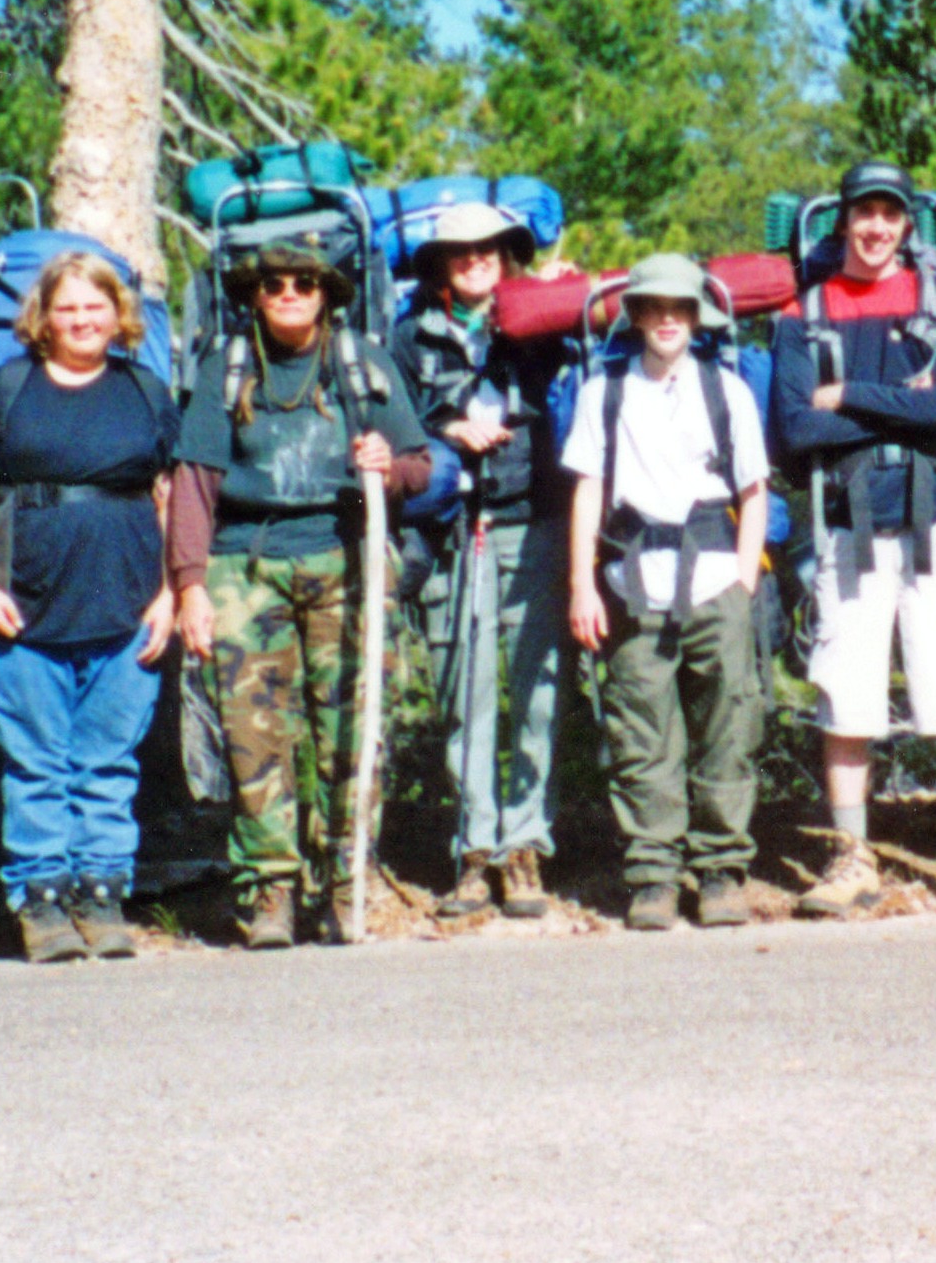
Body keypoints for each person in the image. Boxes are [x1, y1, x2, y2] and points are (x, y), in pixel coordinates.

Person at [171, 240, 430, 951]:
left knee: (351, 728)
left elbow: (422, 465)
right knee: (256, 737)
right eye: (274, 283)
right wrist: (190, 586)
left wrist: (391, 465)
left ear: (324, 294)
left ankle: (345, 877)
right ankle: (272, 888)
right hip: (245, 565)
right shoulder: (224, 370)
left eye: (304, 284)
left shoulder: (362, 365)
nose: (289, 293)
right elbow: (194, 484)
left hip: (345, 557)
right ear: (255, 295)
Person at [771, 161, 936, 919]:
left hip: (935, 518)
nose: (876, 228)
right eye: (863, 213)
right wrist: (891, 407)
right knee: (846, 692)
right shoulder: (801, 308)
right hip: (847, 520)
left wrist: (844, 393)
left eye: (890, 214)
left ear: (909, 223)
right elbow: (795, 425)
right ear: (841, 220)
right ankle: (850, 858)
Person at [0, 252, 180, 964]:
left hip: (127, 606)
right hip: (25, 612)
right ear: (43, 316)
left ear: (118, 314)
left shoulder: (145, 392)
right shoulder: (6, 390)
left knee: (108, 762)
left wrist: (167, 594)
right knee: (36, 763)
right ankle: (40, 900)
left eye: (95, 306)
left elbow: (173, 498)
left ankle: (101, 892)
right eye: (67, 307)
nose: (82, 320)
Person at [564, 254, 771, 931]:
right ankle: (653, 874)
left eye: (678, 309)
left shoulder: (727, 390)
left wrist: (743, 580)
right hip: (631, 585)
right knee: (641, 732)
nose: (665, 321)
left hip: (715, 580)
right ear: (636, 315)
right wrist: (582, 585)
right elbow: (589, 488)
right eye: (653, 308)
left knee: (727, 726)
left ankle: (721, 872)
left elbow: (753, 491)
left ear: (695, 317)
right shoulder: (606, 392)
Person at [394, 203, 571, 921]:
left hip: (534, 522)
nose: (474, 260)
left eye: (488, 250)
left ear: (508, 256)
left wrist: (562, 292)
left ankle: (526, 846)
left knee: (537, 696)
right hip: (451, 528)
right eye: (459, 251)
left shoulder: (540, 320)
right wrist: (446, 428)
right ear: (439, 261)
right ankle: (474, 848)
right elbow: (394, 421)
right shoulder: (410, 336)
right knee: (465, 693)